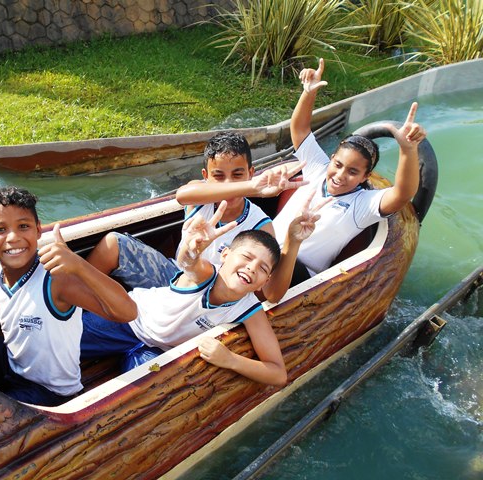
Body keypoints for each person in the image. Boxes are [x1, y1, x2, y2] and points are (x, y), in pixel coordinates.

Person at [77, 199, 322, 384]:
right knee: (63, 346)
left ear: (264, 282)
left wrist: (231, 360)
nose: (251, 268)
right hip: (130, 321)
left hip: (156, 352)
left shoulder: (249, 309)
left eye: (262, 269)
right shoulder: (206, 273)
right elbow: (188, 263)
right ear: (225, 255)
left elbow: (278, 373)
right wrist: (193, 248)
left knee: (142, 396)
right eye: (246, 257)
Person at [86, 131, 307, 303]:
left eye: (237, 175)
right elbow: (182, 195)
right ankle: (76, 305)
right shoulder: (199, 196)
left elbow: (271, 295)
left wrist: (293, 241)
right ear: (205, 177)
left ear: (251, 173)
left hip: (213, 299)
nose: (228, 183)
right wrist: (251, 187)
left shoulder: (260, 225)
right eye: (218, 176)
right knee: (114, 244)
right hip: (176, 277)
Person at [0, 186, 136, 406]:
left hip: (49, 391)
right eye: (0, 229)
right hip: (12, 362)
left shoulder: (57, 280)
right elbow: (15, 299)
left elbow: (128, 312)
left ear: (38, 230)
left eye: (23, 226)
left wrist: (79, 265)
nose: (13, 238)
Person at [271, 58, 428, 284]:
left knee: (267, 258)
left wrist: (407, 149)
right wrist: (308, 92)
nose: (340, 175)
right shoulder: (317, 169)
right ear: (332, 159)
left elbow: (403, 193)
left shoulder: (362, 204)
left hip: (298, 274)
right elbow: (300, 130)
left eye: (353, 172)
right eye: (338, 165)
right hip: (262, 250)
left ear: (365, 177)